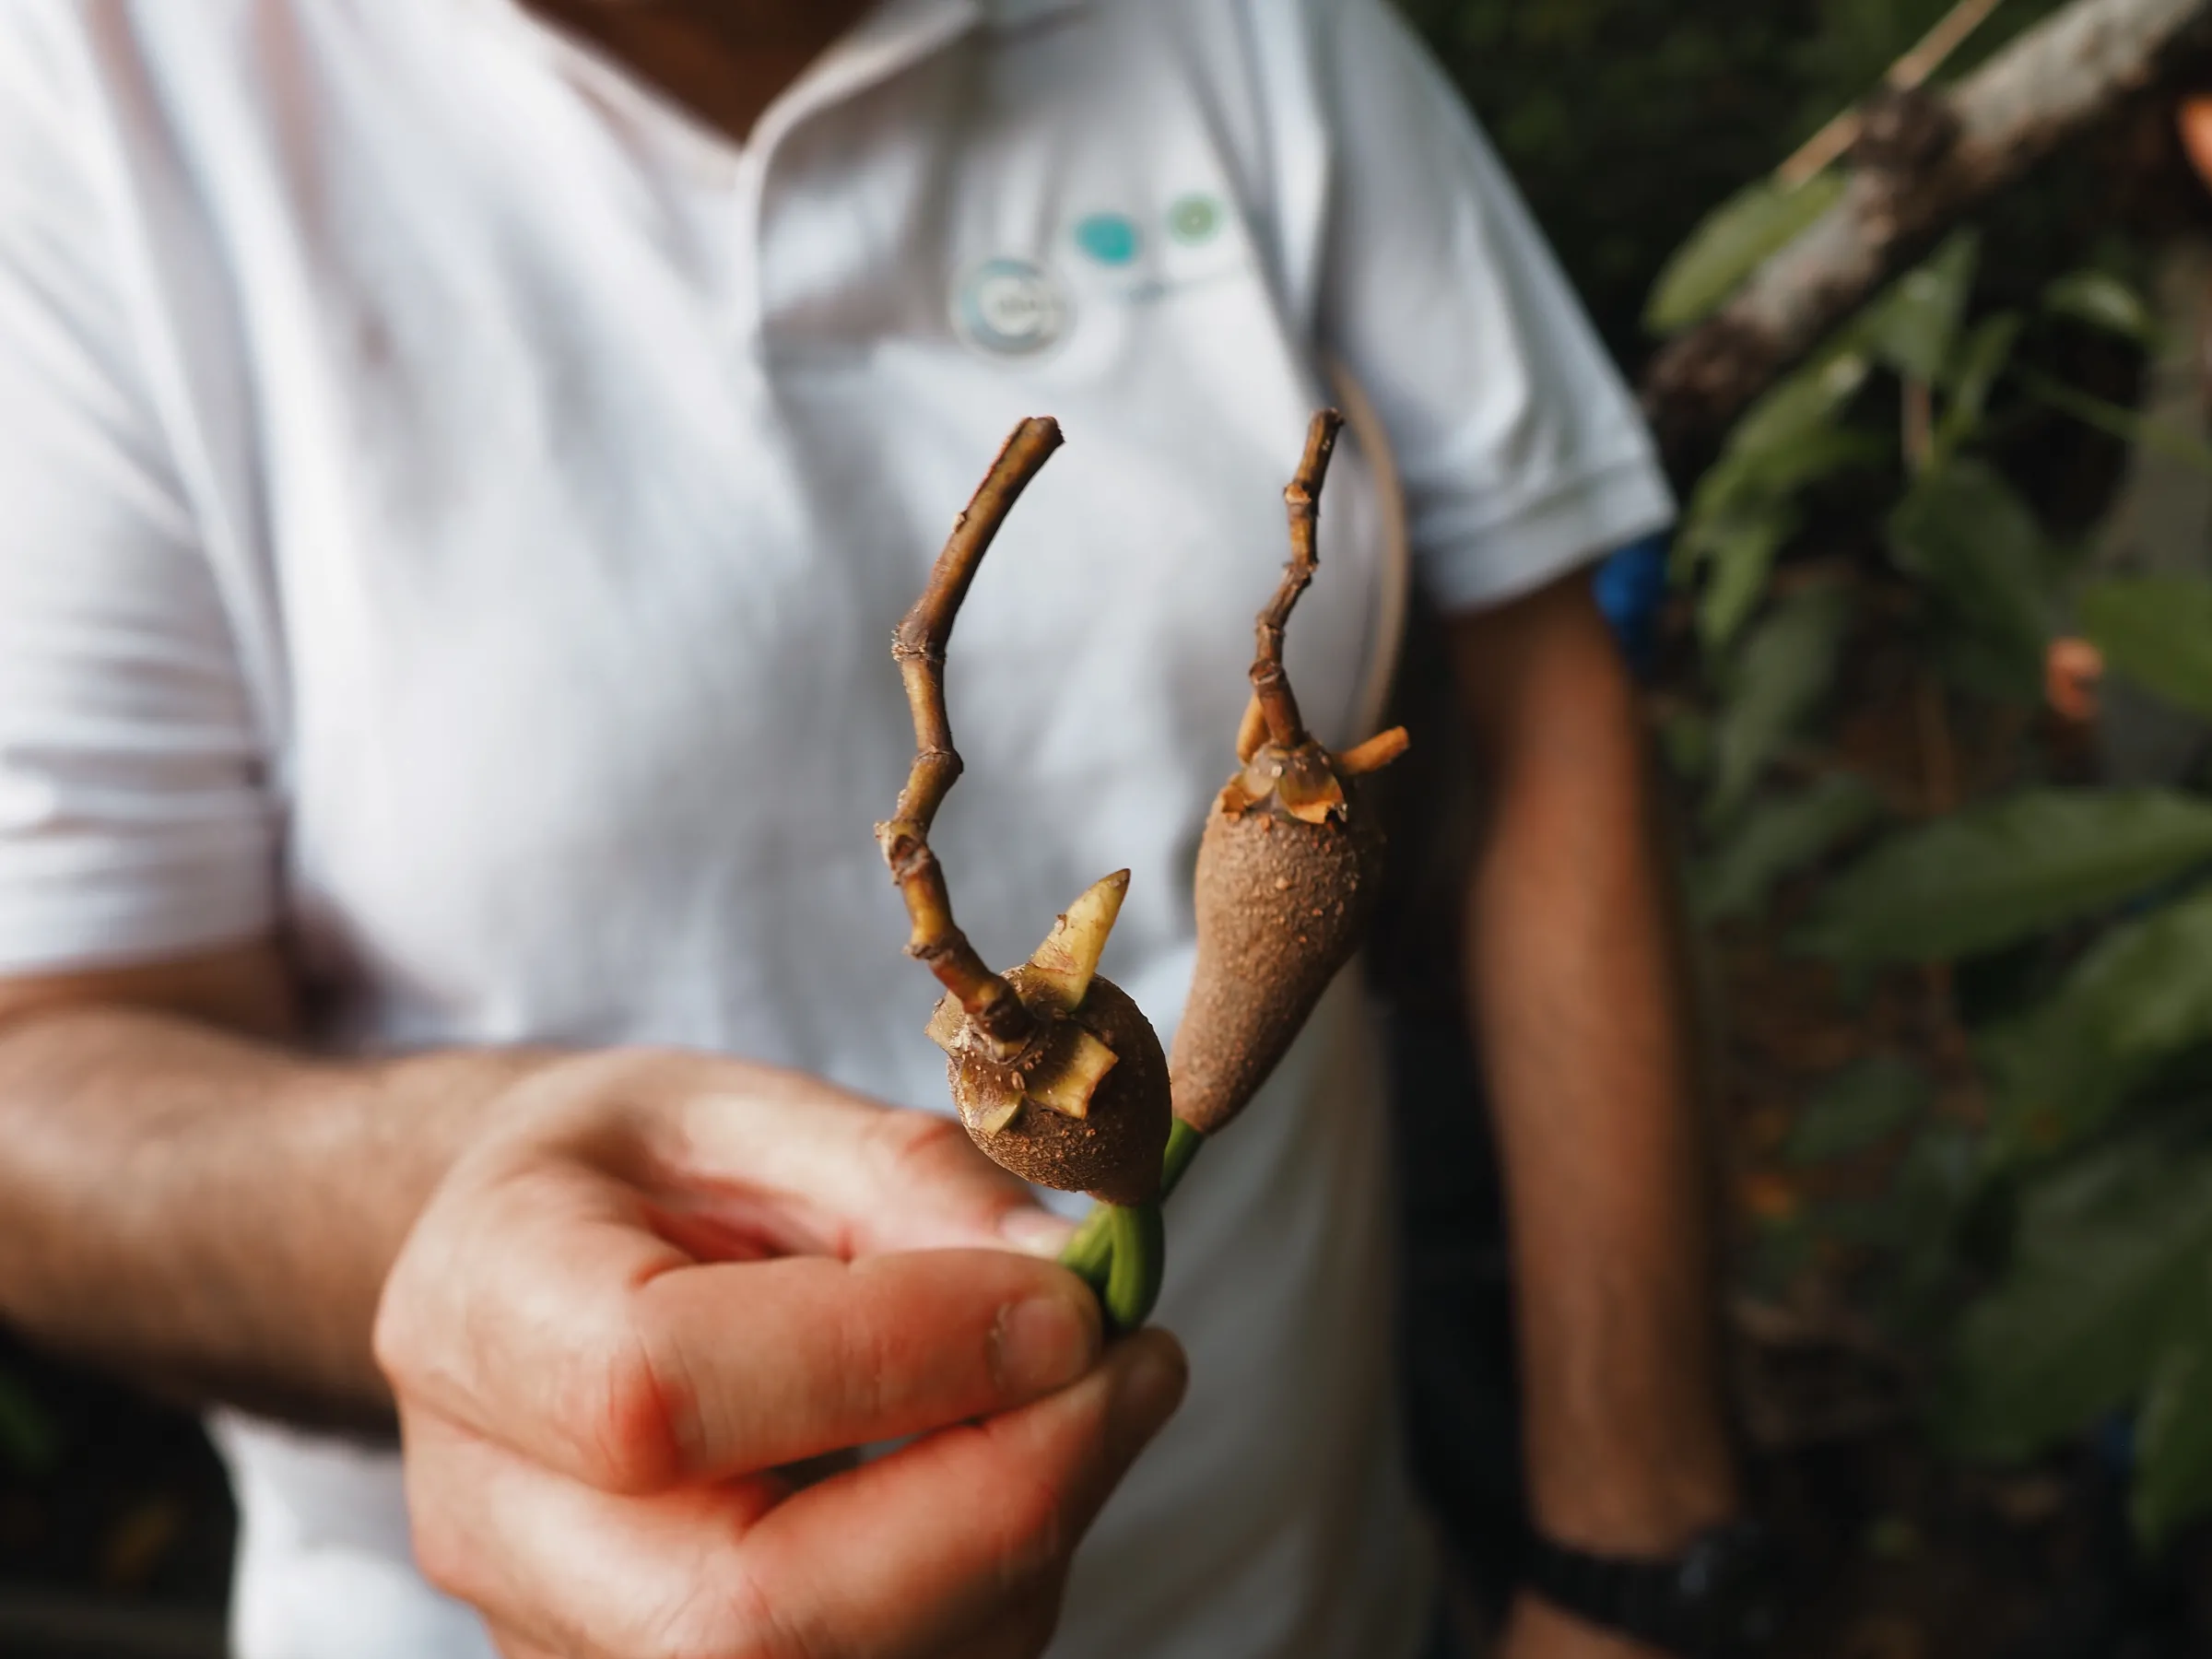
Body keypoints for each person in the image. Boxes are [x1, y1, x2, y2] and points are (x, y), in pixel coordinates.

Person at [0, 2, 1742, 1655]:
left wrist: (1630, 1549)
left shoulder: (1259, 25)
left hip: (1328, 1603)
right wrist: (481, 1180)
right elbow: (41, 1072)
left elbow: (1543, 711)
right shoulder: (79, 105)